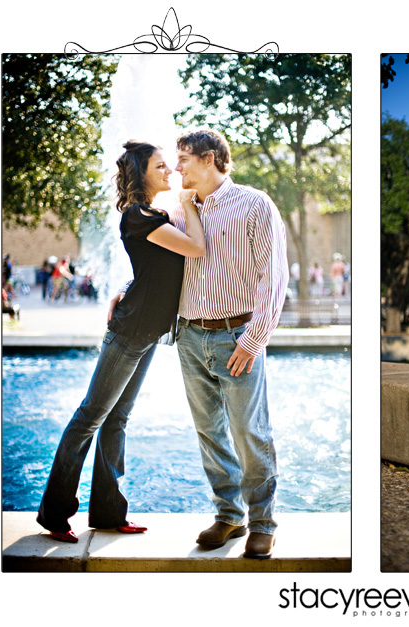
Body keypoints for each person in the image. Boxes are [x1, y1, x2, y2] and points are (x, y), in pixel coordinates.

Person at [36, 140, 206, 543]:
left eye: (169, 165)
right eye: (161, 166)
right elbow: (196, 249)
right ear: (141, 173)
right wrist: (192, 204)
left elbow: (153, 269)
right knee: (89, 417)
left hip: (147, 333)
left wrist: (125, 286)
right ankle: (54, 514)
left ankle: (110, 513)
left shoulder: (156, 215)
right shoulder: (138, 216)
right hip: (130, 332)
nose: (169, 171)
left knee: (117, 419)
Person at [169, 129, 288, 558]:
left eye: (183, 158)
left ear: (209, 159)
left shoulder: (255, 204)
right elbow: (165, 266)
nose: (176, 166)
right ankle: (228, 515)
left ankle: (263, 523)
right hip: (189, 334)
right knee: (210, 432)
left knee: (248, 431)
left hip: (237, 336)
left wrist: (252, 341)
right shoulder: (181, 210)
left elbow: (273, 279)